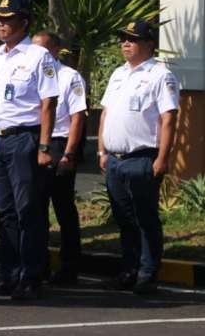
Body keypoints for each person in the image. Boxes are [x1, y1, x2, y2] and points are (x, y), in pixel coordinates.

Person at [0, 0, 59, 300]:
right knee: (5, 211)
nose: (0, 23)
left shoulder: (39, 56)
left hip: (24, 138)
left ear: (23, 22)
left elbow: (48, 102)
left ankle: (31, 275)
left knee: (28, 210)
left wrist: (44, 145)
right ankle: (9, 274)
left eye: (7, 18)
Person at [98, 19, 179, 295]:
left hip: (143, 157)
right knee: (124, 218)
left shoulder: (160, 75)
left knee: (145, 218)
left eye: (131, 39)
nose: (125, 43)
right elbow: (106, 112)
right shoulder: (118, 73)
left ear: (148, 44)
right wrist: (101, 150)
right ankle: (128, 270)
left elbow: (169, 118)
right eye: (123, 39)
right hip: (115, 159)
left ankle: (147, 272)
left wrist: (162, 157)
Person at [33, 30, 87, 284]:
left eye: (42, 49)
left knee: (63, 207)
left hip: (58, 143)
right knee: (36, 208)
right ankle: (38, 265)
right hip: (35, 142)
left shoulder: (69, 77)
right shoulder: (30, 73)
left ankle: (69, 267)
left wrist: (69, 153)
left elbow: (77, 117)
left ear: (55, 51)